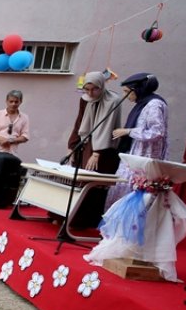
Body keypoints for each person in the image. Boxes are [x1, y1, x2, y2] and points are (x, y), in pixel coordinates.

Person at [66, 71, 126, 229]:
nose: (90, 93)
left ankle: (86, 221)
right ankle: (70, 218)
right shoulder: (85, 100)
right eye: (87, 90)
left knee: (94, 183)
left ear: (101, 86)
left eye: (94, 89)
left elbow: (106, 127)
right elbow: (80, 122)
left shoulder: (113, 101)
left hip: (104, 148)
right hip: (85, 143)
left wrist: (96, 152)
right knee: (78, 180)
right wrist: (72, 146)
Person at [106, 72, 169, 209]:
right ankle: (115, 226)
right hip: (133, 153)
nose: (125, 96)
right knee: (121, 187)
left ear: (139, 90)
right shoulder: (143, 103)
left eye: (127, 92)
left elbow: (158, 132)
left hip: (144, 156)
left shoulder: (154, 105)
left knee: (133, 191)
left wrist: (128, 131)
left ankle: (129, 227)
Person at [0, 90, 31, 154]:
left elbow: (25, 137)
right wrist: (0, 139)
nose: (13, 104)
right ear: (6, 101)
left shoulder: (24, 117)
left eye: (16, 102)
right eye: (11, 101)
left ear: (20, 102)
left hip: (11, 153)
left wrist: (10, 140)